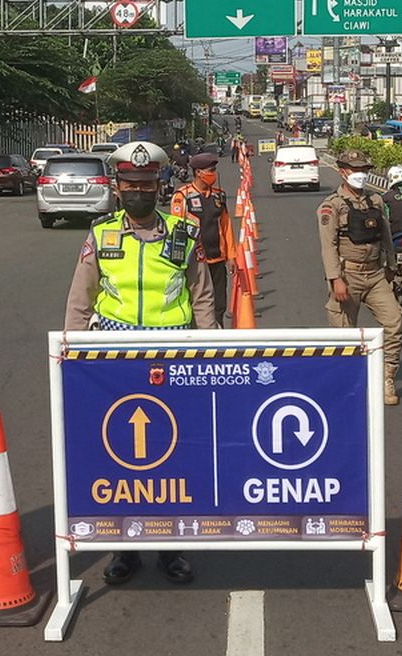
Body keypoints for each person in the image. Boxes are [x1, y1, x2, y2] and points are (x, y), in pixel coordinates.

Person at [64, 141, 216, 586]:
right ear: (117, 188)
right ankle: (124, 546)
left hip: (174, 357)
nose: (138, 193)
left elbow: (203, 297)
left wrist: (209, 353)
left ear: (159, 186)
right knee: (119, 455)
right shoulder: (100, 235)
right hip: (114, 360)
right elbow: (81, 299)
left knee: (174, 454)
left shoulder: (183, 234)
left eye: (146, 185)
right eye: (130, 185)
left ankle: (171, 546)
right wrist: (69, 355)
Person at [316, 150, 402, 405]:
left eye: (364, 169)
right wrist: (335, 279)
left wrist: (392, 265)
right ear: (343, 171)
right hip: (348, 274)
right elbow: (328, 245)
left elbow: (385, 234)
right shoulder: (331, 206)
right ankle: (348, 381)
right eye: (356, 170)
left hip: (375, 273)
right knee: (344, 333)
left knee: (394, 321)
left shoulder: (375, 200)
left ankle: (387, 377)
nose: (361, 175)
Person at [170, 151, 236, 327]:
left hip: (217, 260)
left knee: (219, 304)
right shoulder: (182, 197)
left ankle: (217, 335)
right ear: (198, 172)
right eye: (210, 170)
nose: (213, 174)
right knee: (197, 302)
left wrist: (231, 257)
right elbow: (176, 230)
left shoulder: (218, 196)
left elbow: (226, 226)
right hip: (195, 262)